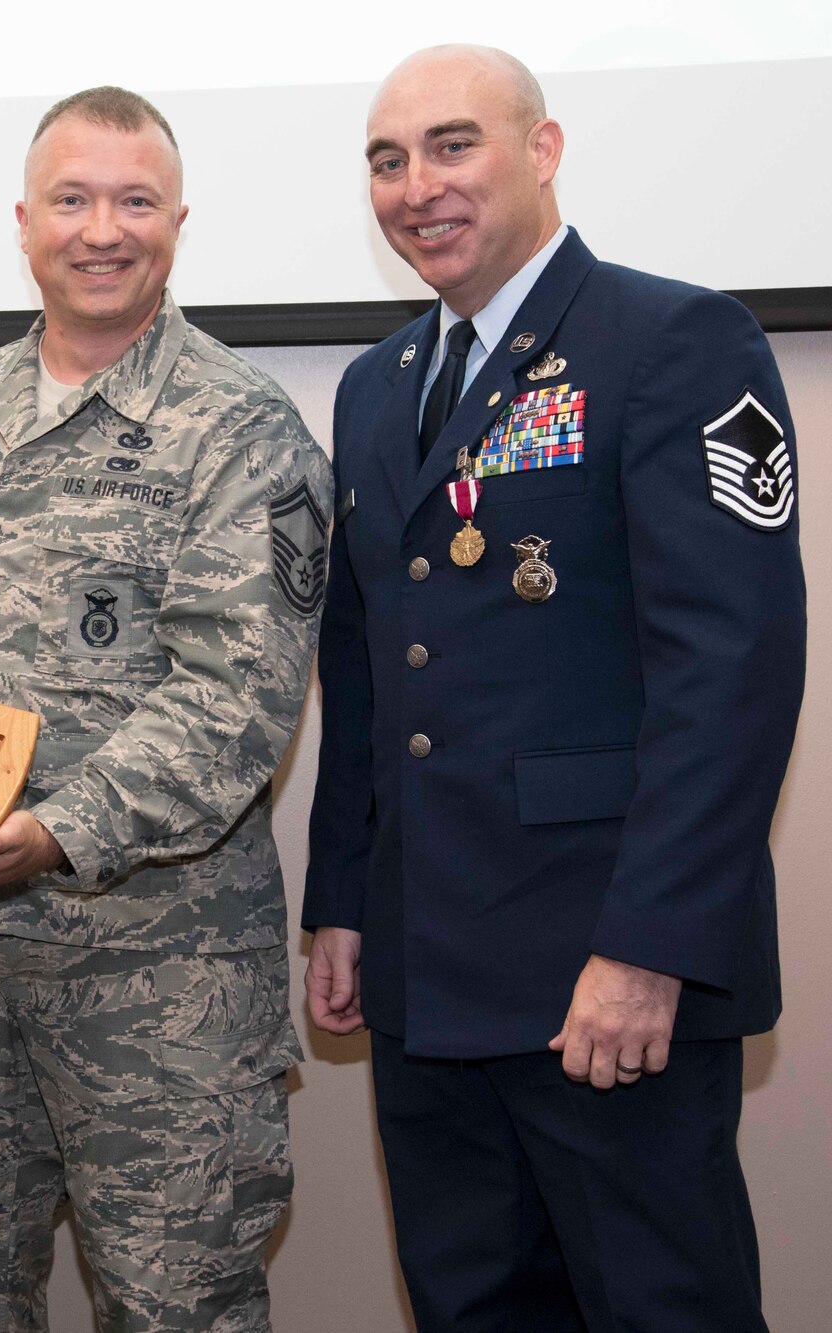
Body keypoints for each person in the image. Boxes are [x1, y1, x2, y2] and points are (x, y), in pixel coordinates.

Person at [302, 45, 803, 1332]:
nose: (416, 185)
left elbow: (729, 672)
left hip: (601, 974)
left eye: (452, 144)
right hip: (426, 971)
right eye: (385, 159)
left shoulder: (671, 339)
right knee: (467, 1307)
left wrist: (649, 950)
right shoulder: (374, 388)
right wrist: (346, 904)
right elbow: (362, 671)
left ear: (542, 149)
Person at [0, 86, 331, 1330]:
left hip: (160, 980)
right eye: (72, 200)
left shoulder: (240, 427)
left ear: (177, 222)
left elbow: (235, 703)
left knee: (173, 1309)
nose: (102, 229)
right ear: (23, 223)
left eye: (134, 201)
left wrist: (49, 834)